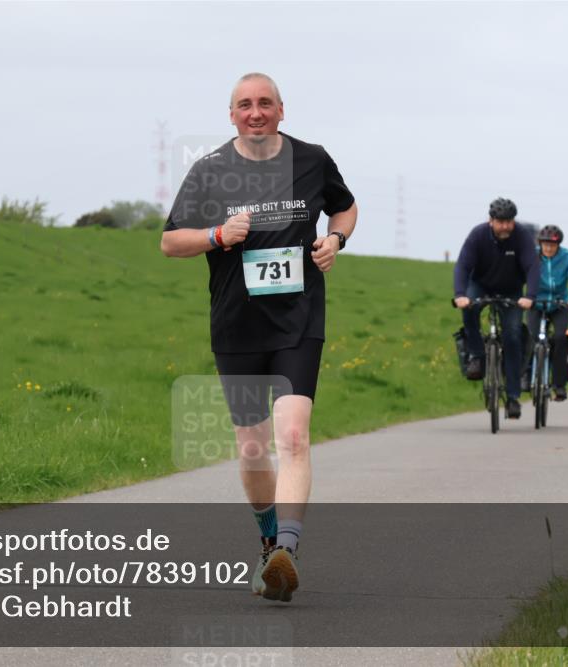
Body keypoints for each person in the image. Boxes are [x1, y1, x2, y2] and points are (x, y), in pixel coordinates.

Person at [161, 73, 357, 603]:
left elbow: (346, 206)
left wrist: (334, 239)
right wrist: (216, 235)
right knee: (252, 447)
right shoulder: (210, 171)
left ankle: (288, 551)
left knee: (293, 436)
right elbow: (170, 241)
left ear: (281, 110)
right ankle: (269, 542)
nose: (255, 112)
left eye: (264, 103)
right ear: (231, 115)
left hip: (297, 319)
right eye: (244, 105)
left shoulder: (312, 159)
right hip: (236, 324)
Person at [453, 198, 539, 419]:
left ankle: (512, 397)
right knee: (469, 309)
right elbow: (463, 266)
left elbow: (532, 267)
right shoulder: (478, 235)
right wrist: (461, 295)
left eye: (509, 221)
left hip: (511, 290)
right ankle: (477, 355)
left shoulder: (522, 237)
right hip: (480, 284)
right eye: (500, 221)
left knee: (512, 336)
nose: (505, 226)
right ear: (491, 221)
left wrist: (529, 296)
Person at [526, 225, 568, 402]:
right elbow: (518, 274)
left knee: (559, 339)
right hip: (536, 303)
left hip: (560, 304)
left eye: (552, 245)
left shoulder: (566, 257)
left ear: (558, 245)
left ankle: (559, 385)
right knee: (530, 336)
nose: (548, 248)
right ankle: (525, 377)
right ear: (540, 243)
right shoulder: (532, 256)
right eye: (545, 244)